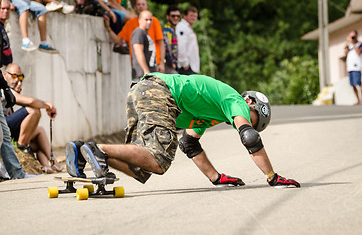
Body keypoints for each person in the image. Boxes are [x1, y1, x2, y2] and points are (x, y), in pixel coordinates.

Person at [66, 73, 300, 188]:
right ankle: (97, 149)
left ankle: (84, 151)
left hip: (142, 89)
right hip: (159, 92)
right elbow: (249, 137)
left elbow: (190, 144)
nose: (246, 121)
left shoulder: (211, 114)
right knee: (159, 160)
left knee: (143, 166)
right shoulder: (236, 101)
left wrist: (216, 177)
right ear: (250, 104)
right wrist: (273, 177)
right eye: (253, 118)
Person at [2, 63, 63, 173]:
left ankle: (51, 164)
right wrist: (48, 105)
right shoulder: (4, 89)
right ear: (5, 74)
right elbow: (31, 102)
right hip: (2, 130)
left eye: (20, 78)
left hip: (7, 130)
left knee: (39, 132)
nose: (17, 81)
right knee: (33, 110)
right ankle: (22, 147)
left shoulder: (9, 93)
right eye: (14, 76)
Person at [0, 0, 37, 179]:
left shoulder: (2, 31)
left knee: (3, 134)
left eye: (8, 8)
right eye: (3, 8)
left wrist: (5, 88)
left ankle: (16, 172)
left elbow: (3, 64)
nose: (6, 11)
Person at [105, 0, 165, 73]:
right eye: (138, 4)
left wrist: (162, 62)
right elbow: (137, 50)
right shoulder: (137, 30)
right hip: (141, 69)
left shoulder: (154, 21)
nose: (141, 6)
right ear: (135, 7)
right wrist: (108, 28)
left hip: (154, 64)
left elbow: (161, 42)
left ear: (147, 7)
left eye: (143, 4)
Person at [130, 10, 156, 82]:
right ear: (140, 20)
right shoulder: (138, 32)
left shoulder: (145, 33)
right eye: (146, 20)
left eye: (150, 20)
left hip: (148, 73)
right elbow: (138, 51)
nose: (149, 22)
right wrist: (146, 70)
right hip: (141, 74)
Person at [176, 6, 199, 75]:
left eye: (195, 16)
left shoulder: (188, 27)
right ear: (184, 16)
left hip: (191, 66)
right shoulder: (182, 27)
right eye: (191, 15)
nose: (193, 18)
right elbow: (181, 46)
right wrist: (185, 64)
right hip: (185, 67)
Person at [345, 30, 362, 105]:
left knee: (359, 84)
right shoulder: (349, 46)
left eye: (353, 36)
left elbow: (358, 53)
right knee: (353, 85)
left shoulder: (359, 44)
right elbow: (345, 53)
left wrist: (353, 43)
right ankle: (358, 100)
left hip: (356, 67)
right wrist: (347, 42)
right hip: (350, 67)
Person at [162, 5, 180, 74]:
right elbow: (166, 47)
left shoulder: (173, 30)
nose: (176, 18)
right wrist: (172, 62)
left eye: (178, 16)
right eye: (173, 16)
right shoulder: (167, 30)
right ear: (167, 17)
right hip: (168, 65)